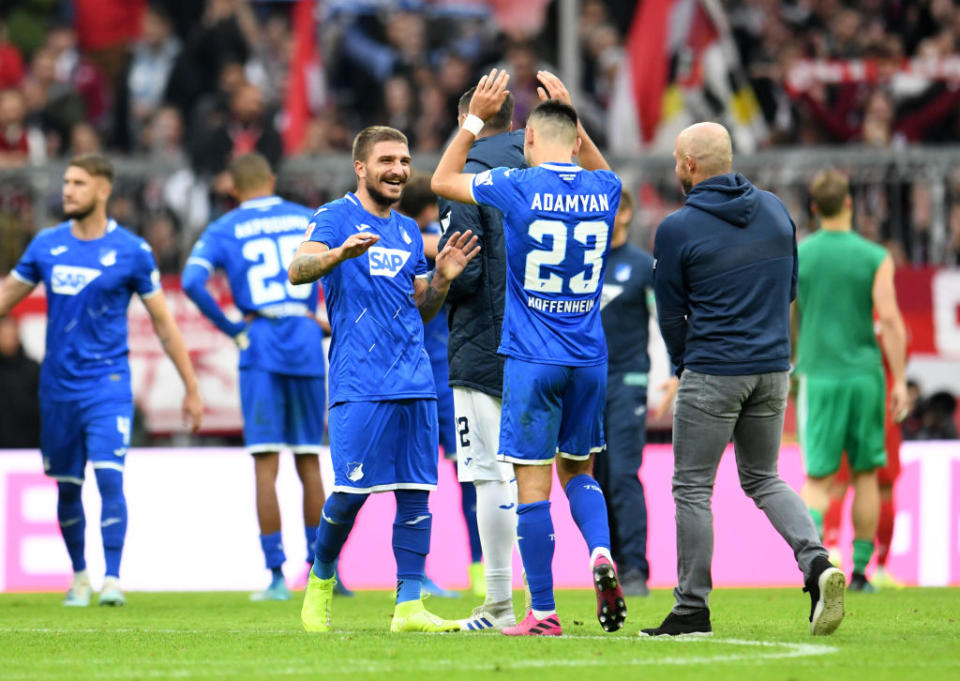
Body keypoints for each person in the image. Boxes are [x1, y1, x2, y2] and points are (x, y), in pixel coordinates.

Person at [431, 69, 626, 637]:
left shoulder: (516, 184)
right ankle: (599, 553)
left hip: (532, 357)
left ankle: (541, 612)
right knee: (580, 471)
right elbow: (599, 164)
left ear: (531, 142)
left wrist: (470, 121)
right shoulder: (606, 190)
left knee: (531, 486)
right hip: (589, 355)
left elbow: (443, 179)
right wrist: (572, 116)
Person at [642, 123, 844, 638]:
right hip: (773, 370)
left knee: (692, 487)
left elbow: (670, 316)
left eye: (674, 160)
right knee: (764, 477)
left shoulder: (677, 228)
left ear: (689, 166)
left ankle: (691, 609)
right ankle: (817, 562)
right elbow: (789, 289)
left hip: (713, 370)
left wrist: (689, 364)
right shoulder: (777, 210)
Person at [289, 125, 479, 633]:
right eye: (387, 160)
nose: (398, 169)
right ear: (361, 168)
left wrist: (441, 278)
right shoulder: (334, 217)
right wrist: (336, 256)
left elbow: (422, 309)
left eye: (404, 159)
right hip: (358, 382)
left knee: (417, 494)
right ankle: (320, 580)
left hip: (415, 380)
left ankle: (409, 606)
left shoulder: (407, 231)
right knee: (350, 495)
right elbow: (296, 269)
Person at [0, 152, 203, 607]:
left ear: (103, 190)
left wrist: (190, 386)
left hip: (106, 383)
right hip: (57, 389)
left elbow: (164, 324)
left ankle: (112, 578)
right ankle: (78, 576)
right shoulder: (46, 245)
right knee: (68, 487)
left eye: (77, 183)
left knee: (110, 477)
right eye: (66, 182)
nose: (67, 190)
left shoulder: (133, 251)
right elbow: (6, 296)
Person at [182, 153, 330, 602]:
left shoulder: (223, 228)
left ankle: (276, 577)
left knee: (266, 463)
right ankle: (324, 573)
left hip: (260, 338)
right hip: (305, 338)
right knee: (309, 459)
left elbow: (191, 281)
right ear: (270, 180)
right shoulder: (307, 217)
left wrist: (232, 329)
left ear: (234, 188)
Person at [435, 85, 526, 631]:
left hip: (485, 345)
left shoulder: (468, 171)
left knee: (490, 477)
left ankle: (497, 603)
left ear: (465, 118)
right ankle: (554, 595)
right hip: (554, 345)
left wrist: (436, 267)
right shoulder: (548, 165)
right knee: (545, 475)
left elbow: (465, 273)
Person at [795, 168, 908, 593]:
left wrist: (791, 359)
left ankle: (815, 566)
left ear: (813, 209)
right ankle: (861, 572)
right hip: (865, 376)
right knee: (865, 476)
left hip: (819, 375)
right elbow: (892, 321)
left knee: (819, 479)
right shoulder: (875, 257)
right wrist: (898, 380)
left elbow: (789, 313)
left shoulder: (800, 255)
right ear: (849, 203)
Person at [397, 172, 479, 600]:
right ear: (434, 207)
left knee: (413, 481)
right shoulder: (446, 240)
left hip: (412, 372)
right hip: (451, 375)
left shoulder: (395, 241)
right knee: (471, 476)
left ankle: (414, 572)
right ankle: (482, 572)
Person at [595, 188, 678, 598]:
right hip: (587, 384)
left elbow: (667, 320)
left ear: (625, 213)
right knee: (600, 477)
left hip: (627, 382)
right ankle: (609, 563)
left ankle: (635, 569)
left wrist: (676, 372)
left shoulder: (644, 267)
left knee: (624, 473)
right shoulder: (583, 264)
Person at [0, 315, 40, 448]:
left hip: (30, 450)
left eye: (12, 333)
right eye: (4, 334)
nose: (9, 337)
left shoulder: (33, 369)